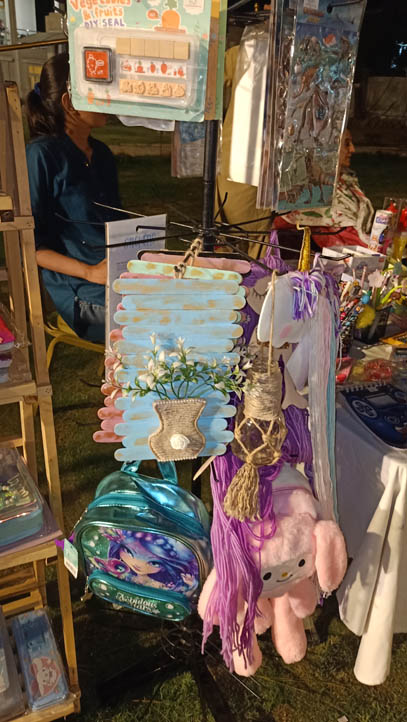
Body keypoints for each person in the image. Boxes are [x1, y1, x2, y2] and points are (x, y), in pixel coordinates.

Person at [26, 52, 124, 343]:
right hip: (81, 293)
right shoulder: (41, 155)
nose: (109, 99)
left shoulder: (101, 154)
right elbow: (29, 245)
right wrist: (90, 272)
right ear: (69, 102)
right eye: (99, 90)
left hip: (121, 280)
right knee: (160, 326)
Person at [273, 128, 375, 250]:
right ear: (330, 148)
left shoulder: (347, 182)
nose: (352, 149)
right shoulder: (313, 192)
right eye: (347, 143)